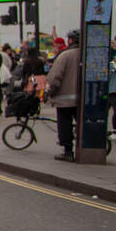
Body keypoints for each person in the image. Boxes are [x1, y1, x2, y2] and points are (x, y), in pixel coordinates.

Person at [45, 30, 82, 162]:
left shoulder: (65, 55)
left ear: (71, 40)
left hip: (65, 98)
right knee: (81, 124)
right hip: (83, 100)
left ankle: (68, 151)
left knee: (65, 124)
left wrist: (50, 92)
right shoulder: (86, 54)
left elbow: (55, 77)